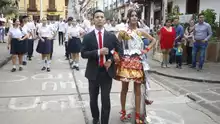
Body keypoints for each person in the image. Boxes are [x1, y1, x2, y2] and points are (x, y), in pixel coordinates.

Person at [81, 10, 122, 124]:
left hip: (106, 72)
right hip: (93, 72)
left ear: (104, 20)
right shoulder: (88, 37)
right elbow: (83, 54)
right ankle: (95, 118)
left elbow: (120, 51)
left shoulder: (111, 36)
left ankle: (104, 121)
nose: (99, 19)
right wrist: (98, 52)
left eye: (101, 17)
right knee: (93, 99)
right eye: (97, 17)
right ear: (93, 20)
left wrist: (111, 60)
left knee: (105, 98)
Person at [117, 9, 156, 124]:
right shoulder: (123, 32)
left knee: (138, 90)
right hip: (126, 63)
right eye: (132, 15)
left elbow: (153, 40)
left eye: (136, 16)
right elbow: (116, 44)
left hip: (138, 62)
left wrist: (146, 49)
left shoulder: (140, 31)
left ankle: (138, 116)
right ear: (128, 17)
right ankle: (123, 112)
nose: (134, 17)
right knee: (124, 89)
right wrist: (116, 55)